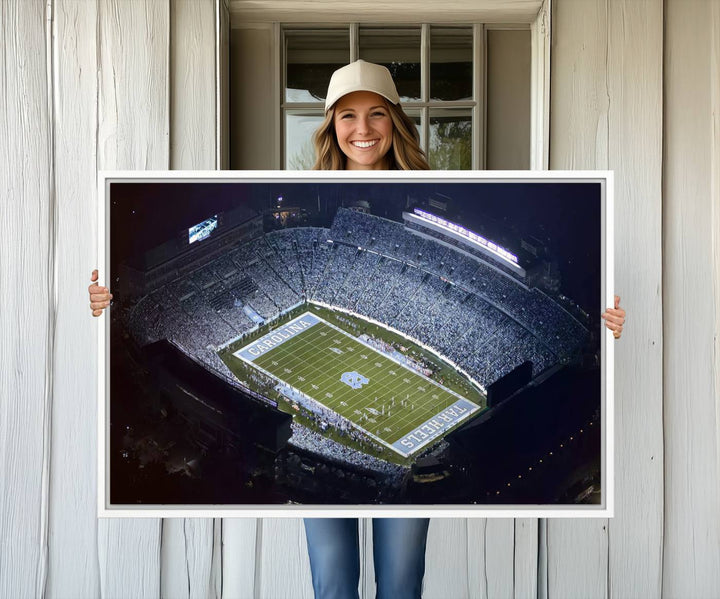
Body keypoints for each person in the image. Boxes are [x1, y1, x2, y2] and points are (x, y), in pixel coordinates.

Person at [88, 60, 626, 599]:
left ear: (395, 122)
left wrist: (608, 320)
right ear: (330, 126)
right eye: (348, 116)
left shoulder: (439, 189)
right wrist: (103, 303)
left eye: (376, 115)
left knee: (400, 580)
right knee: (333, 579)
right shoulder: (304, 193)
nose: (362, 130)